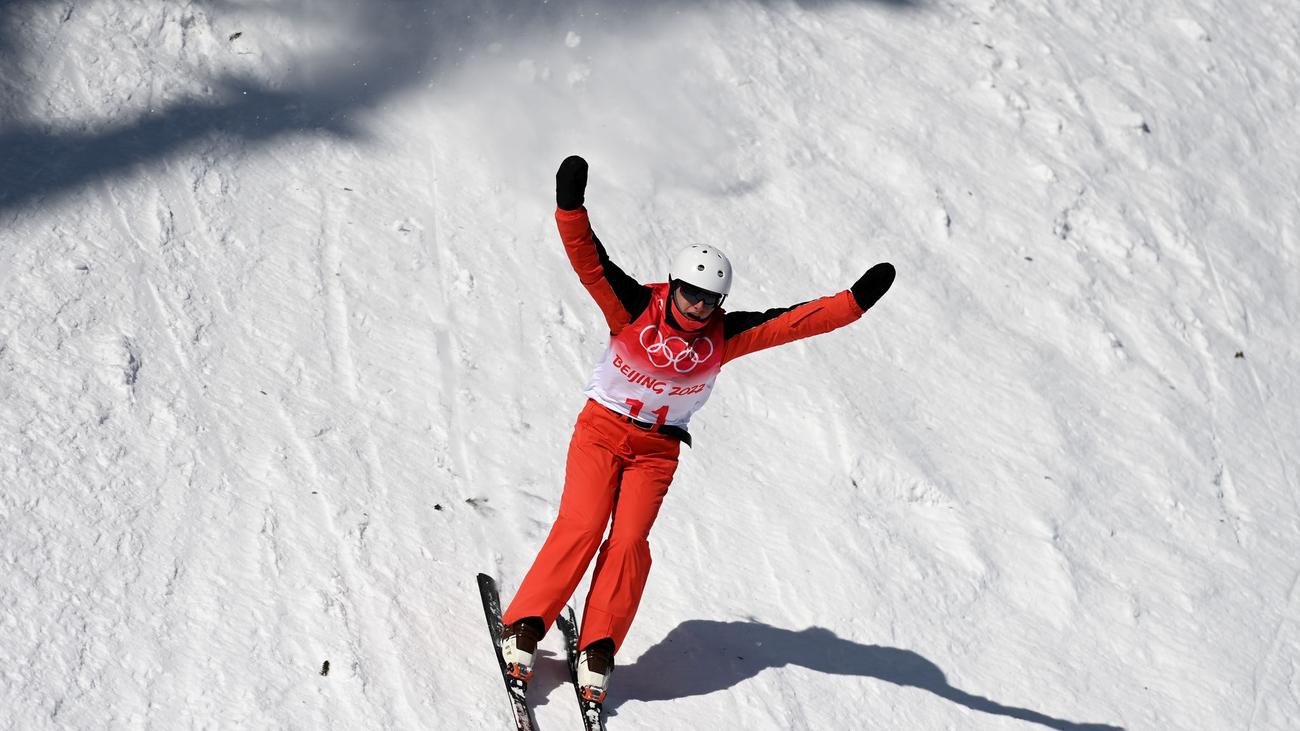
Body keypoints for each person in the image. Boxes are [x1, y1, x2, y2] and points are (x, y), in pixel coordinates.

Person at [499, 155, 896, 704]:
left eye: (710, 299)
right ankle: (524, 626)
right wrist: (570, 206)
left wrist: (854, 303)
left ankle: (597, 647)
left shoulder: (724, 335)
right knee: (584, 523)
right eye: (691, 294)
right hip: (602, 429)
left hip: (657, 451)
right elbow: (590, 262)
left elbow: (792, 321)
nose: (698, 306)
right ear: (675, 285)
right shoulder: (634, 305)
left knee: (631, 540)